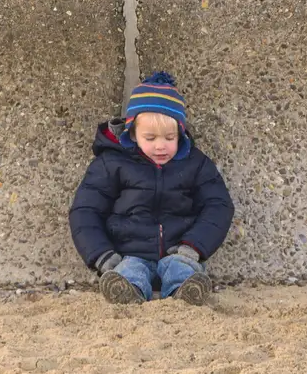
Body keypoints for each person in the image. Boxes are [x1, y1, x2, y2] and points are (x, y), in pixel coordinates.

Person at [69, 72, 235, 305]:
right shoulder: (111, 163)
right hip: (128, 254)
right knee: (129, 271)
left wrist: (194, 245)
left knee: (182, 270)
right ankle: (128, 291)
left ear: (180, 134)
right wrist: (102, 255)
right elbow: (85, 210)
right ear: (133, 134)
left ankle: (184, 292)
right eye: (150, 137)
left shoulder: (195, 164)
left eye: (169, 137)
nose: (160, 146)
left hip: (179, 252)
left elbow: (218, 205)